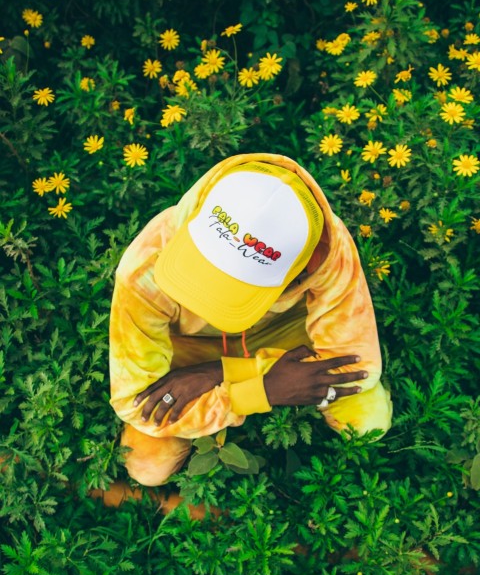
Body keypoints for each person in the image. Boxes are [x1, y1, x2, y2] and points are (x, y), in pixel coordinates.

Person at [98, 153, 392, 509]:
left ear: (301, 268)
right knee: (147, 466)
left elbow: (358, 365)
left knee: (367, 419)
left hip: (281, 340)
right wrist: (258, 390)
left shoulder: (328, 251)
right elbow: (134, 401)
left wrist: (223, 373)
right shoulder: (145, 265)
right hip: (189, 349)